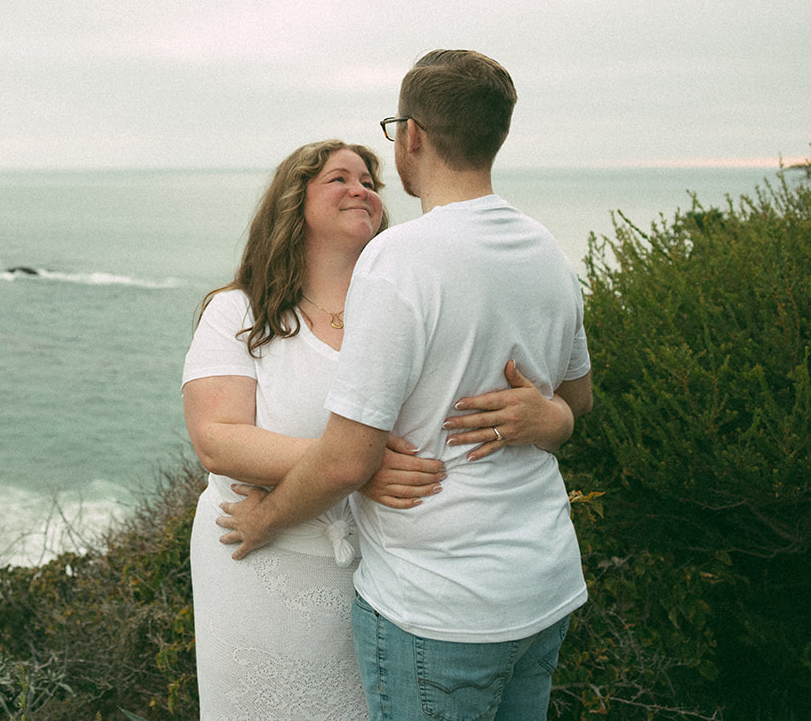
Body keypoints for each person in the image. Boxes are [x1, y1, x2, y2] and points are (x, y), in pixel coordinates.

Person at [217, 51, 594, 721]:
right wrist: (553, 419)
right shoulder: (547, 252)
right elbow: (575, 400)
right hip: (543, 585)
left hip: (440, 606)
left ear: (411, 135)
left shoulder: (400, 258)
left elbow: (347, 459)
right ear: (496, 135)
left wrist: (264, 518)